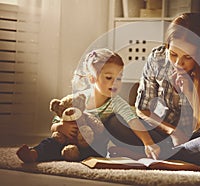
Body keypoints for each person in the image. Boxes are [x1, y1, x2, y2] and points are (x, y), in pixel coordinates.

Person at [106, 13, 200, 166]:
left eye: (188, 57)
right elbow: (143, 110)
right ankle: (179, 154)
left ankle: (161, 154)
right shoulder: (158, 59)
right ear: (167, 46)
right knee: (115, 121)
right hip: (162, 133)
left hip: (197, 138)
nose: (178, 63)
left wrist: (191, 94)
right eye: (173, 54)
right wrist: (173, 132)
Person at [16, 48, 160, 163]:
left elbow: (133, 121)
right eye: (109, 78)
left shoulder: (116, 102)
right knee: (52, 142)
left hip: (93, 145)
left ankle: (71, 155)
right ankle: (34, 154)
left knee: (92, 151)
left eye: (119, 78)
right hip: (68, 138)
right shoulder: (80, 98)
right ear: (92, 79)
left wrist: (148, 142)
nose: (115, 83)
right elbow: (57, 120)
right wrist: (60, 127)